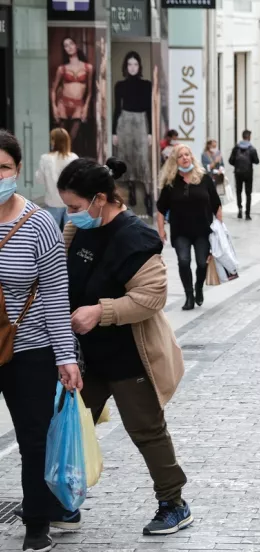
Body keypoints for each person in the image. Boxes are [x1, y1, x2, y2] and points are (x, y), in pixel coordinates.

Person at [57, 157, 192, 537]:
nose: (70, 214)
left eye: (75, 206)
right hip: (86, 357)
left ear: (100, 199)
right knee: (68, 425)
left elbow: (152, 297)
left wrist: (101, 311)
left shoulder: (136, 237)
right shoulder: (77, 228)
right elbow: (60, 270)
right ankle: (63, 498)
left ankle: (174, 503)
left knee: (146, 430)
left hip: (131, 356)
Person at [0, 129, 82, 552]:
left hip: (28, 349)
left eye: (3, 167)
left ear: (17, 170)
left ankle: (36, 523)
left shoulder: (39, 225)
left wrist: (65, 357)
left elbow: (54, 294)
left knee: (33, 438)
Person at [157, 144, 222, 310]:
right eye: (180, 156)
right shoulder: (171, 183)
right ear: (175, 160)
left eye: (187, 154)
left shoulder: (204, 178)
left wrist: (219, 229)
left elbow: (217, 205)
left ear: (192, 157)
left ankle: (199, 286)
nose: (185, 158)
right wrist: (161, 230)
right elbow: (161, 209)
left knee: (202, 263)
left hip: (203, 230)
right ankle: (189, 296)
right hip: (181, 232)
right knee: (184, 261)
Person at [112, 51, 153, 213]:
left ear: (139, 66)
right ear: (126, 66)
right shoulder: (120, 85)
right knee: (126, 156)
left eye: (135, 64)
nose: (133, 67)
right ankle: (130, 190)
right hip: (125, 122)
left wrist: (149, 132)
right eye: (130, 64)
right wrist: (114, 132)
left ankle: (148, 196)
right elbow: (117, 109)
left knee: (142, 158)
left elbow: (149, 108)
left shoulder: (146, 84)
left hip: (141, 121)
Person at [49, 37, 93, 150]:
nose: (69, 47)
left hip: (79, 104)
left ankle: (69, 162)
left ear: (76, 45)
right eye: (66, 45)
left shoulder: (88, 68)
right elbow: (53, 89)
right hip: (63, 103)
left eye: (71, 44)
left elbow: (90, 90)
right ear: (64, 49)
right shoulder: (62, 69)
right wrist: (54, 107)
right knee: (61, 137)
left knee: (73, 138)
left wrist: (86, 106)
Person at [35, 128, 79, 229]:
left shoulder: (45, 158)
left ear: (54, 141)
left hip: (52, 201)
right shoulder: (73, 158)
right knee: (70, 235)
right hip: (70, 202)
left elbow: (39, 180)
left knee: (51, 233)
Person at [228, 130, 260, 220]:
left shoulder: (236, 148)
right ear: (249, 137)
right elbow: (257, 161)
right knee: (248, 193)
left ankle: (240, 210)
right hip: (248, 173)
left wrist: (237, 165)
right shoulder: (252, 149)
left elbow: (230, 161)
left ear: (242, 136)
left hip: (238, 173)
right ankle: (247, 214)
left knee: (238, 192)